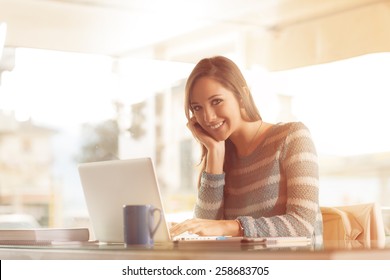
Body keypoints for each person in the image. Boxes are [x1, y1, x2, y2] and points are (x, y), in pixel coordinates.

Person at [170, 56, 323, 246]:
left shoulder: (292, 137)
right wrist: (215, 152)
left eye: (216, 101)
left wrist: (230, 227)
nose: (207, 117)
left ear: (242, 96)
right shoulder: (221, 158)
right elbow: (206, 231)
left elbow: (302, 225)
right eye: (197, 108)